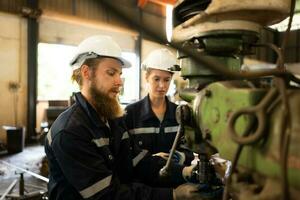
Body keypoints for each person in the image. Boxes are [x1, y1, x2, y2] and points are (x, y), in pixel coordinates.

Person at [44, 35, 203, 200]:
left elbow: (139, 163)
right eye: (111, 73)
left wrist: (184, 172)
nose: (119, 81)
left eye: (119, 74)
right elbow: (107, 195)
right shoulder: (70, 131)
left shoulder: (114, 119)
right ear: (86, 73)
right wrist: (173, 195)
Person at [124, 48, 194, 165]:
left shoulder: (180, 113)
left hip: (174, 180)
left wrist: (176, 157)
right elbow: (125, 154)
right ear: (147, 77)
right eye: (156, 79)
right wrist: (152, 160)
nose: (162, 85)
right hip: (141, 181)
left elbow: (189, 152)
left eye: (166, 80)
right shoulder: (131, 113)